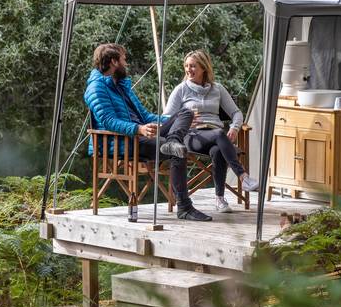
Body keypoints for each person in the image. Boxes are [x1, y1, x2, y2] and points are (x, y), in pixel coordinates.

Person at [84, 43, 212, 221]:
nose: (126, 62)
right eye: (123, 59)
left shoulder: (121, 85)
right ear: (113, 62)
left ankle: (172, 141)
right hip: (123, 141)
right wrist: (139, 129)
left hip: (142, 134)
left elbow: (145, 115)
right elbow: (109, 122)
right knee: (177, 150)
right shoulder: (96, 88)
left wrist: (172, 121)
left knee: (186, 112)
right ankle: (184, 207)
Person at [164, 49, 259, 214]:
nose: (188, 69)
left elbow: (236, 113)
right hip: (192, 136)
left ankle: (219, 199)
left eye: (193, 66)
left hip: (215, 137)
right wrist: (182, 118)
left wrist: (235, 127)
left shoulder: (217, 89)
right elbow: (166, 118)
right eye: (186, 66)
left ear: (203, 68)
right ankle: (243, 177)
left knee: (218, 150)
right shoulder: (181, 89)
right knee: (220, 134)